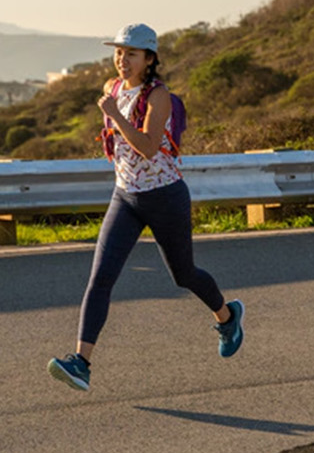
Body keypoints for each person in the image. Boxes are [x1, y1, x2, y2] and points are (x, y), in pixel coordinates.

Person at [48, 23, 244, 391]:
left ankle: (227, 315)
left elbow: (149, 147)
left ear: (149, 59)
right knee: (100, 278)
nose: (122, 60)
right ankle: (81, 362)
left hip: (165, 196)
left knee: (184, 275)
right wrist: (113, 113)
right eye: (119, 52)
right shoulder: (112, 88)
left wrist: (116, 116)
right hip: (125, 196)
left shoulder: (158, 97)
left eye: (131, 54)